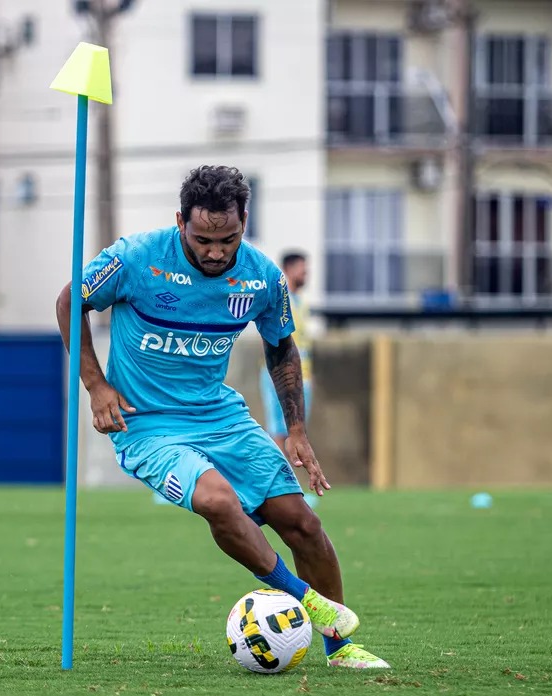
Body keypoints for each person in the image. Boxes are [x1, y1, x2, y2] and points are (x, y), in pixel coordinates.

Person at [55, 165, 388, 669]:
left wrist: (296, 429)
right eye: (203, 240)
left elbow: (281, 347)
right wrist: (96, 385)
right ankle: (307, 599)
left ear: (244, 223)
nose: (215, 252)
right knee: (216, 499)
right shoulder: (135, 258)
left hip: (219, 417)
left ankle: (342, 651)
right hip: (146, 424)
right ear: (180, 222)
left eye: (227, 240)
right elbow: (69, 301)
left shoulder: (262, 277)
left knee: (301, 522)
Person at [260, 252, 312, 449]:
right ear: (288, 269)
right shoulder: (280, 299)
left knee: (298, 431)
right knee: (278, 429)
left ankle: (289, 468)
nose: (306, 273)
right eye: (302, 269)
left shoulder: (302, 302)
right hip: (280, 372)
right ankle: (279, 468)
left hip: (303, 375)